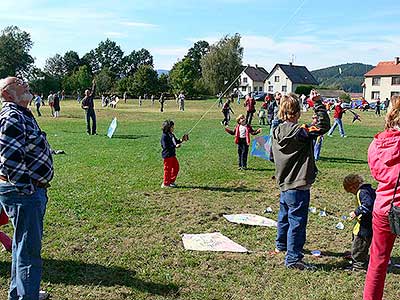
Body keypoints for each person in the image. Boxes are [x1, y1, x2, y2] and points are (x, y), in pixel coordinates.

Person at [0, 76, 54, 300]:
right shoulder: (12, 116)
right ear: (7, 94)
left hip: (25, 191)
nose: (25, 83)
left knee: (22, 247)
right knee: (29, 250)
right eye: (18, 81)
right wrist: (28, 189)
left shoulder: (20, 113)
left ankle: (21, 293)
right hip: (23, 193)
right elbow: (9, 159)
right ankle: (26, 297)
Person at [271, 91, 330, 270]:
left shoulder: (275, 130)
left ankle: (281, 245)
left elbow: (272, 156)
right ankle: (293, 258)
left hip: (284, 183)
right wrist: (318, 103)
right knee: (297, 221)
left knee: (284, 217)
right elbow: (323, 126)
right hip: (298, 184)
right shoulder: (300, 132)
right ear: (297, 113)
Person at [363, 95, 400, 300]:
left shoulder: (376, 144)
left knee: (377, 261)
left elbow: (377, 172)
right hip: (391, 206)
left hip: (384, 206)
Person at [343, 174, 375, 271]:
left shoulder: (362, 192)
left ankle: (358, 266)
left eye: (351, 192)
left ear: (352, 187)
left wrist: (356, 212)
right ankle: (356, 256)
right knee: (357, 241)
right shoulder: (368, 189)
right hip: (365, 223)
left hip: (365, 225)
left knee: (359, 244)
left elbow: (368, 205)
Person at [161, 120, 189, 188]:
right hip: (167, 156)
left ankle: (171, 181)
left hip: (172, 155)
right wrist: (175, 146)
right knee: (168, 169)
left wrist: (182, 139)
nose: (173, 128)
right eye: (172, 127)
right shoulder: (164, 136)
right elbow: (166, 146)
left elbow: (176, 142)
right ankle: (165, 183)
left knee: (176, 167)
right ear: (168, 128)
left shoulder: (171, 135)